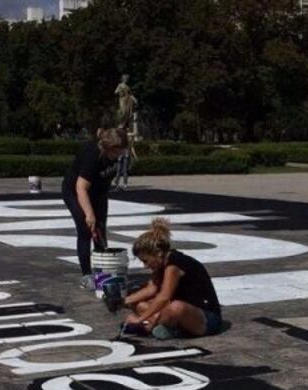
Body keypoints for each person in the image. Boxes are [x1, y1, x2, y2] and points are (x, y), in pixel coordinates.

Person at [122, 217, 222, 339]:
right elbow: (151, 290)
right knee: (140, 305)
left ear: (158, 253)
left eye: (146, 261)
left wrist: (139, 319)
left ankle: (149, 327)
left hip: (207, 318)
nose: (145, 265)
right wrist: (123, 301)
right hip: (186, 314)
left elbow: (164, 297)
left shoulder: (174, 265)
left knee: (176, 307)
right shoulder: (161, 263)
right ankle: (166, 327)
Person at [62, 127, 124, 289]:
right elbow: (81, 187)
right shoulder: (92, 156)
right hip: (75, 192)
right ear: (108, 148)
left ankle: (102, 272)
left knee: (100, 230)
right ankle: (86, 275)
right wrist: (89, 213)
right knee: (85, 229)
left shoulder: (115, 152)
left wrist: (99, 208)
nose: (120, 156)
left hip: (98, 193)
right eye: (117, 152)